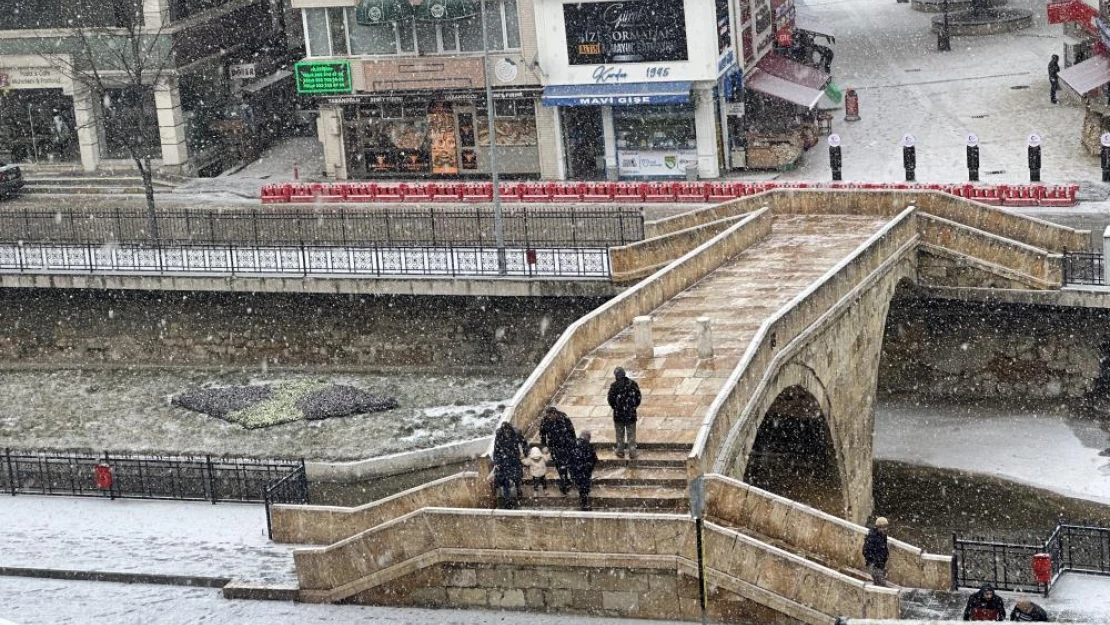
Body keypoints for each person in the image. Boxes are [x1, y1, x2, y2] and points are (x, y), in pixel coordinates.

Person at [539, 406, 576, 494]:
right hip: (554, 446)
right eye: (548, 416)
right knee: (559, 466)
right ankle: (565, 481)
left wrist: (574, 442)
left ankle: (571, 479)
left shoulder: (563, 417)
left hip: (566, 444)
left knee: (569, 463)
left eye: (551, 416)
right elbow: (542, 434)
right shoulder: (544, 421)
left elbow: (571, 430)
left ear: (555, 413)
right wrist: (544, 445)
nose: (550, 418)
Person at [607, 367, 642, 459]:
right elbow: (638, 398)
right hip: (630, 414)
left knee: (619, 434)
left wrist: (616, 407)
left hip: (618, 415)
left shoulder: (614, 386)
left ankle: (620, 451)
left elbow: (610, 400)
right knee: (631, 435)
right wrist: (633, 407)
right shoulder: (633, 384)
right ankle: (632, 452)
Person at [492, 421, 528, 508]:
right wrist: (497, 462)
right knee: (505, 481)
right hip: (504, 462)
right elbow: (496, 451)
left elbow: (524, 442)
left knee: (517, 477)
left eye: (508, 431)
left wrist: (525, 451)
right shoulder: (499, 437)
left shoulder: (515, 434)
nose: (507, 433)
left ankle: (518, 490)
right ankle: (507, 500)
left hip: (515, 459)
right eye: (505, 431)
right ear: (503, 431)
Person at [569, 429, 599, 511]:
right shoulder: (588, 446)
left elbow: (569, 458)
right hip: (584, 472)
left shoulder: (573, 444)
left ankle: (583, 502)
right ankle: (584, 505)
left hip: (575, 471)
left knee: (581, 487)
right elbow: (594, 459)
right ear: (588, 438)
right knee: (584, 489)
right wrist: (589, 468)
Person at [863, 517, 890, 587]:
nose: (885, 529)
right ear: (878, 527)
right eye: (882, 527)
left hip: (880, 565)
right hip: (874, 565)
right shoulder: (872, 536)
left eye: (886, 527)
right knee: (881, 584)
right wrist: (874, 561)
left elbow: (883, 549)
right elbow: (866, 551)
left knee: (879, 583)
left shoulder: (883, 535)